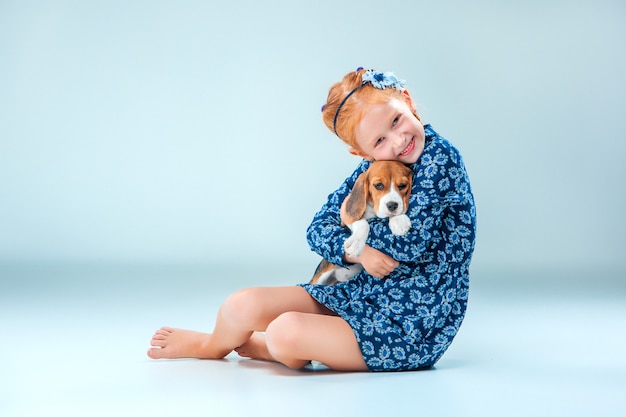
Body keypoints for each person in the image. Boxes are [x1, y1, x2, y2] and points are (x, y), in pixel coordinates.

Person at [147, 67, 476, 372]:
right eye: (379, 141)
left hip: (410, 324)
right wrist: (359, 251)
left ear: (407, 101)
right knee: (241, 305)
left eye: (395, 121)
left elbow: (409, 243)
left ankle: (282, 347)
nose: (398, 140)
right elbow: (317, 229)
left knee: (283, 332)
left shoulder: (440, 158)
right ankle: (211, 345)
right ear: (362, 153)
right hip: (356, 293)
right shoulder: (371, 167)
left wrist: (351, 218)